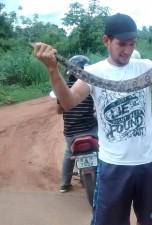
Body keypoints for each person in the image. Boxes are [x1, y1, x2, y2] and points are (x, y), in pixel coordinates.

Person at [32, 13, 152, 225]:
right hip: (113, 165)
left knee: (146, 220)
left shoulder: (145, 67)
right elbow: (68, 103)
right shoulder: (92, 72)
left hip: (148, 162)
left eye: (132, 44)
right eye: (122, 44)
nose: (128, 50)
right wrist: (52, 69)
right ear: (106, 41)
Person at [56, 55, 98, 193]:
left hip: (71, 132)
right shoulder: (90, 87)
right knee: (101, 150)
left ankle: (64, 184)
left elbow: (59, 110)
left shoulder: (64, 88)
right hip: (90, 130)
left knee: (69, 153)